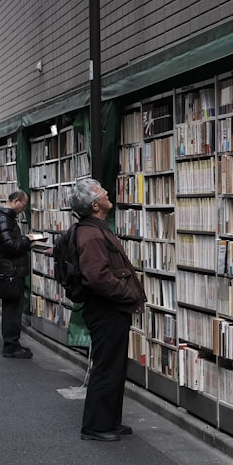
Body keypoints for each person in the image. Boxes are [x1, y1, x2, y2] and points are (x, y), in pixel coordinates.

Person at [69, 177, 146, 442]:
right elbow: (97, 277)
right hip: (106, 309)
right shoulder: (90, 234)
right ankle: (95, 425)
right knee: (106, 367)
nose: (107, 193)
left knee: (114, 366)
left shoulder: (95, 228)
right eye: (102, 192)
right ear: (94, 205)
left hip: (110, 308)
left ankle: (110, 421)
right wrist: (127, 294)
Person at [0, 190, 37, 358]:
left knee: (12, 309)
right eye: (24, 204)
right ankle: (11, 345)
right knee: (12, 310)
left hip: (11, 270)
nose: (24, 207)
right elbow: (10, 245)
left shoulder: (3, 218)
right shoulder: (3, 219)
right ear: (15, 201)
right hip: (11, 271)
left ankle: (12, 343)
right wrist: (27, 240)